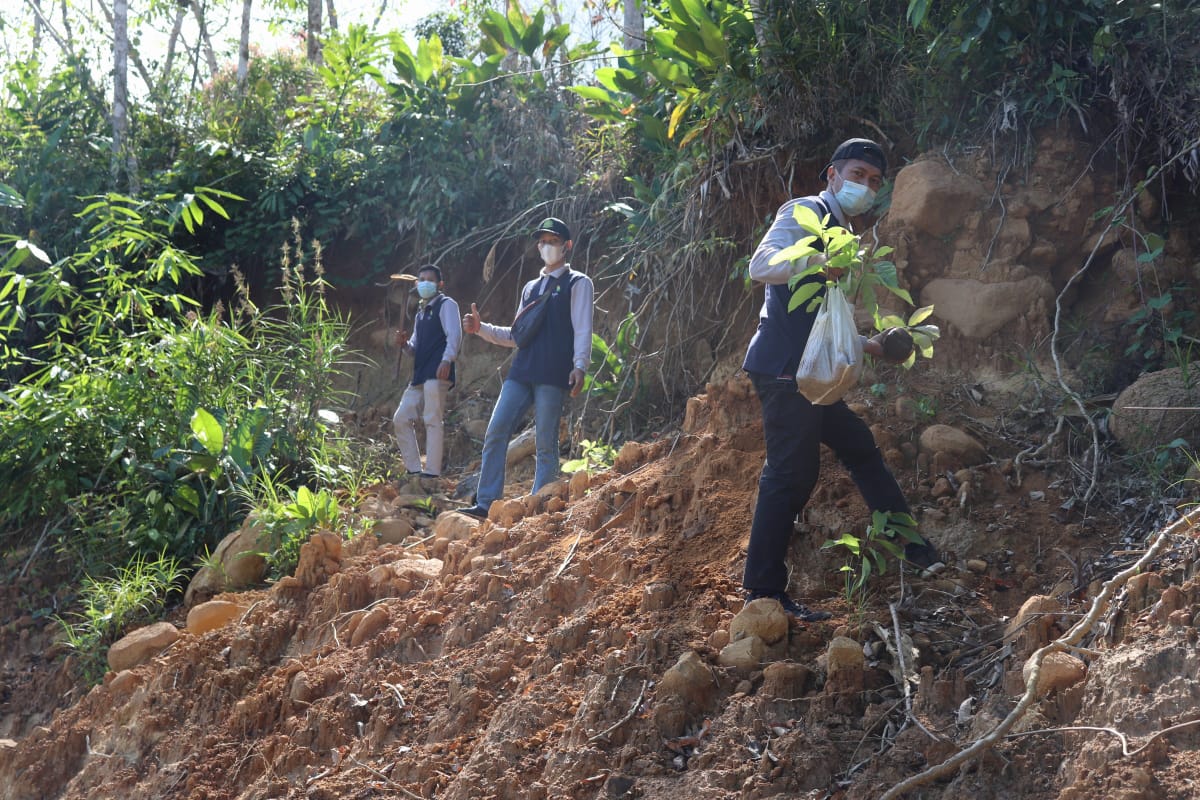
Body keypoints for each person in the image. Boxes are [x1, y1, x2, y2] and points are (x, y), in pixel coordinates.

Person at [741, 138, 941, 622]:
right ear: (832, 175)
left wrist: (876, 346)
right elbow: (761, 266)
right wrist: (818, 259)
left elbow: (829, 323)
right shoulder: (805, 212)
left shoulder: (847, 237)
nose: (865, 186)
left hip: (810, 371)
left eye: (874, 181)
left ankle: (909, 544)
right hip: (784, 368)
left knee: (859, 446)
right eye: (857, 175)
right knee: (791, 475)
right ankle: (762, 592)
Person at [457, 217, 595, 518]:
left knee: (546, 442)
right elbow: (516, 335)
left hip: (553, 373)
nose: (547, 246)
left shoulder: (578, 283)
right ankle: (486, 502)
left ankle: (540, 505)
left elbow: (583, 328)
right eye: (543, 241)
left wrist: (580, 366)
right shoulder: (531, 287)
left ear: (566, 246)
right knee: (496, 431)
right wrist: (481, 329)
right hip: (521, 372)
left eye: (553, 241)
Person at [392, 265, 461, 479]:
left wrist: (447, 360)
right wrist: (404, 345)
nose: (425, 283)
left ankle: (431, 473)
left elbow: (454, 335)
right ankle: (414, 469)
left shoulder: (446, 304)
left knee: (432, 418)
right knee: (401, 418)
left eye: (430, 279)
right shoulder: (421, 312)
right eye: (421, 279)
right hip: (420, 374)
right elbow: (414, 347)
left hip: (437, 371)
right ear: (416, 284)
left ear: (440, 284)